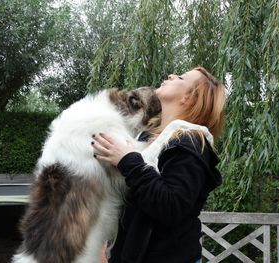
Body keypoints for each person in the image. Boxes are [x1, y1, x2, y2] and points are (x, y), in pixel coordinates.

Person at [92, 66, 226, 263]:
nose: (171, 74)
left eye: (180, 77)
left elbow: (171, 206)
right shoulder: (147, 137)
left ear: (188, 98)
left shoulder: (190, 142)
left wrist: (128, 160)